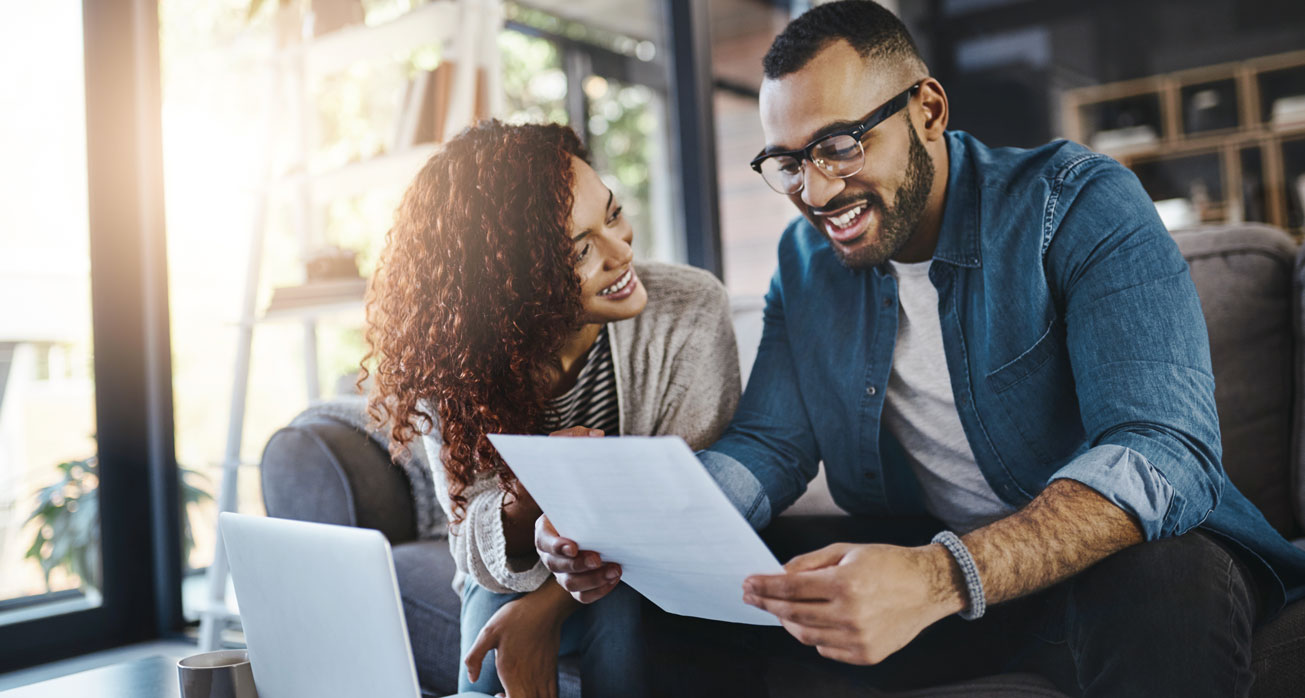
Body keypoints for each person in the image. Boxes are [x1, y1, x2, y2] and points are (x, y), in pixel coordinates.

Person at [534, 2, 1305, 696]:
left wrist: (941, 576)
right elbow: (769, 444)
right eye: (789, 162)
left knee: (1165, 578)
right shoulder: (804, 269)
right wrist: (633, 532)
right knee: (649, 601)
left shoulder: (1075, 204)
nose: (817, 190)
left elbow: (1161, 450)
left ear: (927, 109)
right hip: (932, 566)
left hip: (1099, 570)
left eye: (838, 145)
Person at [362, 120, 740, 698]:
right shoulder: (456, 361)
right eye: (582, 249)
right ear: (512, 282)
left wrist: (543, 612)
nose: (622, 252)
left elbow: (681, 507)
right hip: (510, 577)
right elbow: (472, 547)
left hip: (640, 571)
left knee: (614, 603)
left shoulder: (690, 309)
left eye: (612, 215)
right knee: (490, 611)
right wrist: (524, 501)